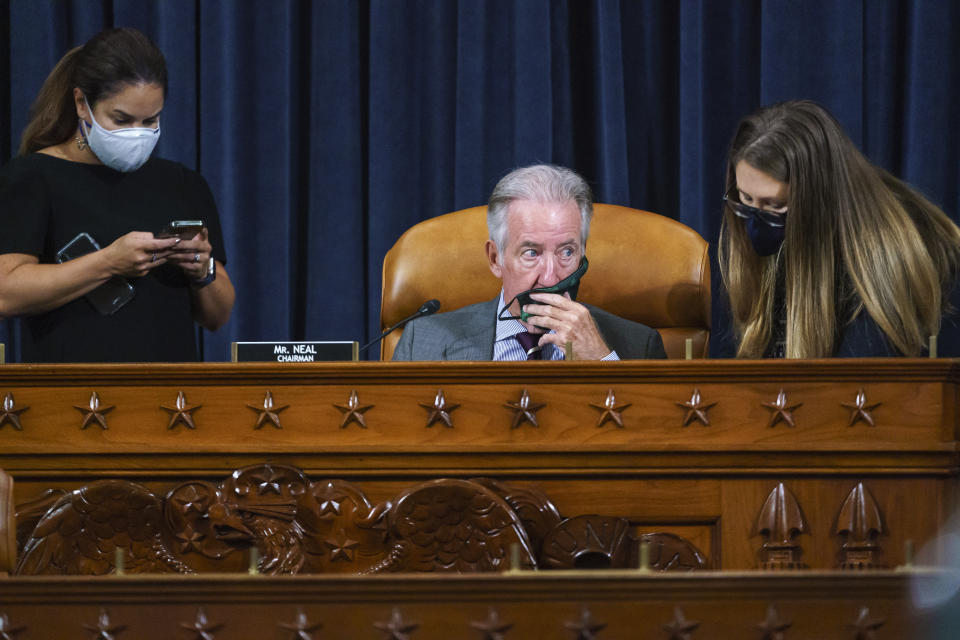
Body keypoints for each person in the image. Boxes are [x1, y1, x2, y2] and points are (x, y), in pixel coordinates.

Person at [0, 27, 234, 362]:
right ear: (82, 104)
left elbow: (218, 316)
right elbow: (5, 294)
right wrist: (108, 262)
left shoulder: (183, 183)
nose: (137, 134)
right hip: (69, 397)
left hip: (175, 400)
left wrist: (203, 269)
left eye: (150, 120)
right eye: (122, 119)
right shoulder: (32, 177)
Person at [719, 100, 960, 358]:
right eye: (746, 200)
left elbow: (860, 388)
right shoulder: (777, 238)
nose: (756, 220)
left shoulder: (881, 261)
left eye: (775, 204)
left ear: (816, 199)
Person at [392, 164, 666, 361]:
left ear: (583, 254)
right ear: (495, 258)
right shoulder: (424, 343)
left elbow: (654, 440)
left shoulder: (639, 346)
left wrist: (601, 362)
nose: (549, 278)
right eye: (531, 253)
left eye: (567, 252)